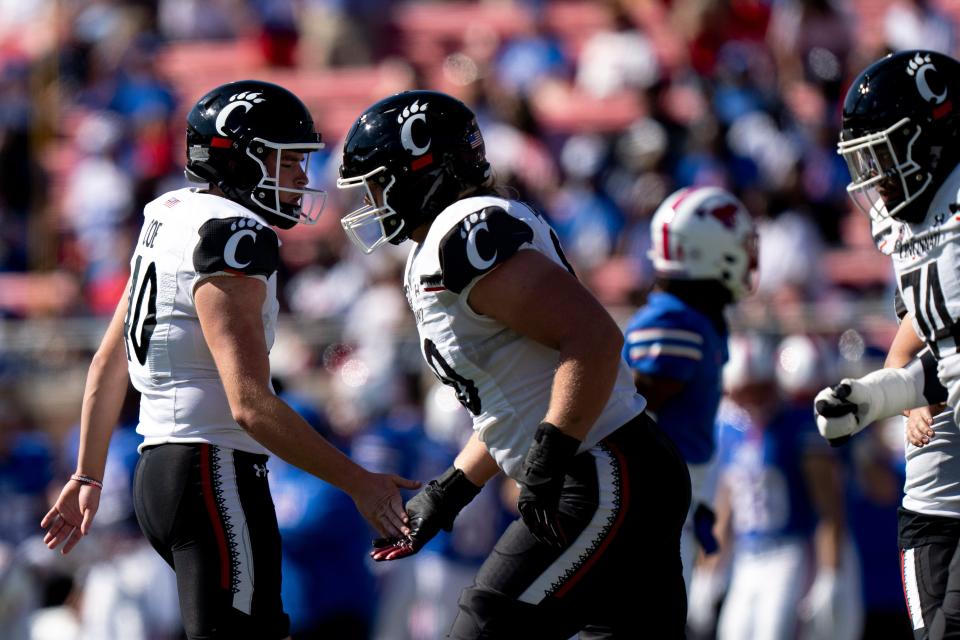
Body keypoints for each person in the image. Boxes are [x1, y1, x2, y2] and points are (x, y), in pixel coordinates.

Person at [40, 79, 419, 640]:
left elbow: (107, 363)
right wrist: (359, 481)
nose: (299, 178)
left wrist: (87, 472)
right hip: (211, 472)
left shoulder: (168, 214)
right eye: (288, 161)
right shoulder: (235, 232)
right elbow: (249, 404)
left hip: (160, 471)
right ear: (242, 157)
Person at [336, 90, 691, 638]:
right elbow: (519, 399)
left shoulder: (463, 232)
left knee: (484, 627)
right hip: (620, 463)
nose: (372, 199)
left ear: (423, 171)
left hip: (604, 468)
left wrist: (549, 458)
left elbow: (593, 337)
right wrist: (452, 488)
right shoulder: (455, 237)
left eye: (380, 181)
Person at [813, 50, 960, 639]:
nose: (875, 172)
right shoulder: (908, 219)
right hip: (936, 484)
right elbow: (928, 323)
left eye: (884, 151)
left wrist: (891, 391)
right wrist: (892, 382)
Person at [622, 184, 757, 590]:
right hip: (648, 509)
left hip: (673, 500)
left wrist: (696, 499)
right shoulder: (674, 323)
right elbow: (628, 419)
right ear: (705, 250)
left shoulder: (696, 319)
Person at [711, 334, 860, 640]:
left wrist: (830, 572)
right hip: (747, 554)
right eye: (744, 392)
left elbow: (828, 507)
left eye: (760, 390)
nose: (753, 400)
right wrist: (709, 568)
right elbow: (726, 501)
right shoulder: (729, 428)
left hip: (789, 551)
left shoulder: (797, 426)